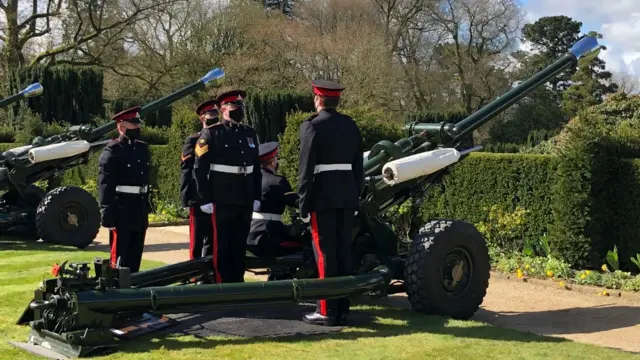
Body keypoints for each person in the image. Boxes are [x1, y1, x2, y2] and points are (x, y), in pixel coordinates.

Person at [297, 79, 364, 326]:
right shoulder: (350, 126)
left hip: (322, 197)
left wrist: (304, 205)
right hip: (346, 196)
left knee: (324, 254)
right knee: (342, 252)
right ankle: (342, 308)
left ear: (318, 100)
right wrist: (354, 195)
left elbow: (305, 171)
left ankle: (326, 311)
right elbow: (359, 167)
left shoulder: (311, 127)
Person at [193, 90, 261, 283]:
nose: (239, 110)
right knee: (222, 244)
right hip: (222, 197)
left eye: (241, 106)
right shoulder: (212, 133)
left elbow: (255, 167)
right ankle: (222, 282)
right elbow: (199, 168)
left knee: (240, 243)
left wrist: (256, 195)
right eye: (235, 106)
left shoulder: (250, 133)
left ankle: (237, 281)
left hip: (245, 196)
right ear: (223, 109)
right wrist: (204, 198)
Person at [98, 106, 151, 274]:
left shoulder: (142, 149)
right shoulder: (112, 152)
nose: (137, 128)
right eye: (133, 125)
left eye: (137, 124)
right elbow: (106, 185)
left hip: (139, 207)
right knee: (120, 258)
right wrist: (108, 214)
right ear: (121, 127)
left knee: (136, 255)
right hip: (122, 209)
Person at [247, 141, 303, 258]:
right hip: (269, 235)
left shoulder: (248, 180)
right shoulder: (278, 181)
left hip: (249, 233)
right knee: (304, 244)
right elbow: (297, 202)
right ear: (273, 161)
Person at [180, 99, 219, 261]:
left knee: (213, 239)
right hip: (197, 197)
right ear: (202, 118)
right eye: (210, 114)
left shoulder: (222, 137)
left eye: (215, 114)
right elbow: (187, 170)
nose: (213, 117)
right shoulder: (193, 140)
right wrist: (186, 197)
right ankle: (194, 274)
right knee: (197, 239)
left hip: (217, 194)